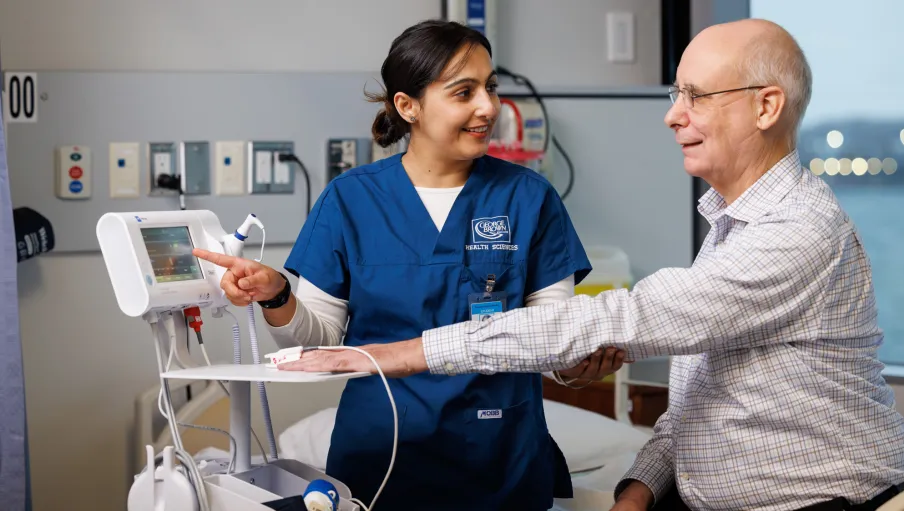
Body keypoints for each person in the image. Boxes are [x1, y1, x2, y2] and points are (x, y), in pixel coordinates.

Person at [285, 18, 904, 511]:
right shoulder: (732, 228)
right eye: (675, 94)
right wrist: (640, 487)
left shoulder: (795, 231)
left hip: (816, 497)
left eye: (694, 95)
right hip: (388, 457)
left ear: (767, 107)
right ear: (409, 105)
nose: (672, 113)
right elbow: (708, 398)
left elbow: (627, 318)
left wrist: (398, 352)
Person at [193, 19, 625, 511]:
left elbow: (551, 334)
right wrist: (276, 294)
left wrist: (575, 365)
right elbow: (321, 345)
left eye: (490, 88)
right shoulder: (350, 200)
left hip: (499, 460)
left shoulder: (530, 199)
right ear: (408, 106)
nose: (488, 107)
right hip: (381, 463)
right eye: (464, 92)